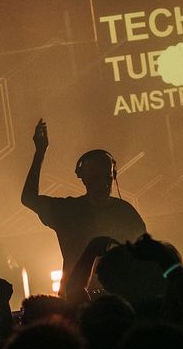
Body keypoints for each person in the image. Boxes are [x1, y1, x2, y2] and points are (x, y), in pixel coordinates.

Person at [21, 118, 146, 294]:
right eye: (96, 178)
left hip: (112, 295)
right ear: (84, 178)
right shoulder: (69, 210)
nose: (103, 183)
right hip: (80, 298)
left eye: (107, 177)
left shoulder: (125, 212)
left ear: (113, 176)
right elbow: (29, 198)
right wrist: (40, 152)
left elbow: (144, 253)